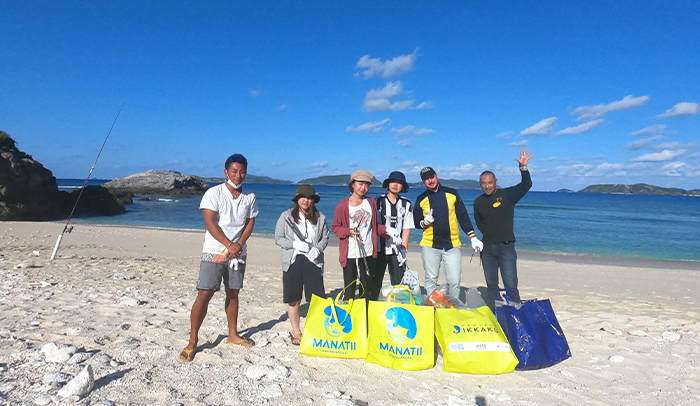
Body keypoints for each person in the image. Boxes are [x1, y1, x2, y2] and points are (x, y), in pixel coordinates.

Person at [179, 153, 258, 362]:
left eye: (242, 172)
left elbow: (250, 222)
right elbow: (210, 222)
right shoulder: (213, 193)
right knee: (204, 293)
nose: (238, 175)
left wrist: (238, 245)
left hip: (238, 253)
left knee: (233, 293)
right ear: (226, 172)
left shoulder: (249, 196)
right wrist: (229, 245)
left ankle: (232, 334)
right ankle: (192, 341)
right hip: (214, 251)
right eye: (234, 171)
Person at [474, 148, 533, 311]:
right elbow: (479, 222)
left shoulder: (507, 195)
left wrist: (523, 168)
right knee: (492, 286)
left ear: (496, 182)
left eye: (490, 182)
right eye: (483, 183)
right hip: (487, 249)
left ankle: (515, 315)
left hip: (506, 247)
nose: (487, 186)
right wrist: (488, 235)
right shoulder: (478, 201)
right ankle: (496, 314)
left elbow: (526, 185)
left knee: (511, 286)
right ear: (480, 184)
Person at [414, 166, 483, 298]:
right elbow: (416, 222)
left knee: (454, 281)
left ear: (436, 176)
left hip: (452, 245)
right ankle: (433, 306)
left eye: (431, 177)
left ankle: (453, 306)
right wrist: (424, 222)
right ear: (423, 181)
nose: (430, 181)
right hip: (429, 245)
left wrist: (473, 237)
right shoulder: (421, 198)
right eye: (426, 179)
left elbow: (463, 216)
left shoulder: (452, 193)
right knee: (430, 280)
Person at [274, 184, 330, 345]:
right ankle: (297, 331)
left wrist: (318, 249)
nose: (306, 200)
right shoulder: (286, 216)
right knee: (294, 299)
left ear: (313, 200)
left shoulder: (321, 218)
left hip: (313, 261)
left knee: (317, 299)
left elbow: (325, 238)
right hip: (293, 261)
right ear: (297, 199)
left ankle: (315, 329)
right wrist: (293, 244)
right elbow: (278, 238)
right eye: (303, 197)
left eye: (309, 198)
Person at [331, 170, 387, 301]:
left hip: (368, 252)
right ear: (353, 184)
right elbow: (335, 228)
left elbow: (374, 226)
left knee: (366, 288)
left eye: (367, 185)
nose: (363, 188)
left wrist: (388, 230)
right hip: (350, 253)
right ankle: (349, 311)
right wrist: (348, 231)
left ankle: (363, 312)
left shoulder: (371, 203)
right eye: (360, 184)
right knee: (349, 288)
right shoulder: (342, 206)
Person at [376, 171, 414, 286]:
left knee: (398, 284)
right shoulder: (379, 201)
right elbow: (375, 225)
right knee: (375, 281)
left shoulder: (406, 203)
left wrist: (404, 249)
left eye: (399, 182)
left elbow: (407, 228)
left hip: (397, 250)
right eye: (393, 182)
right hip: (379, 248)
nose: (395, 185)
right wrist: (389, 238)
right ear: (388, 184)